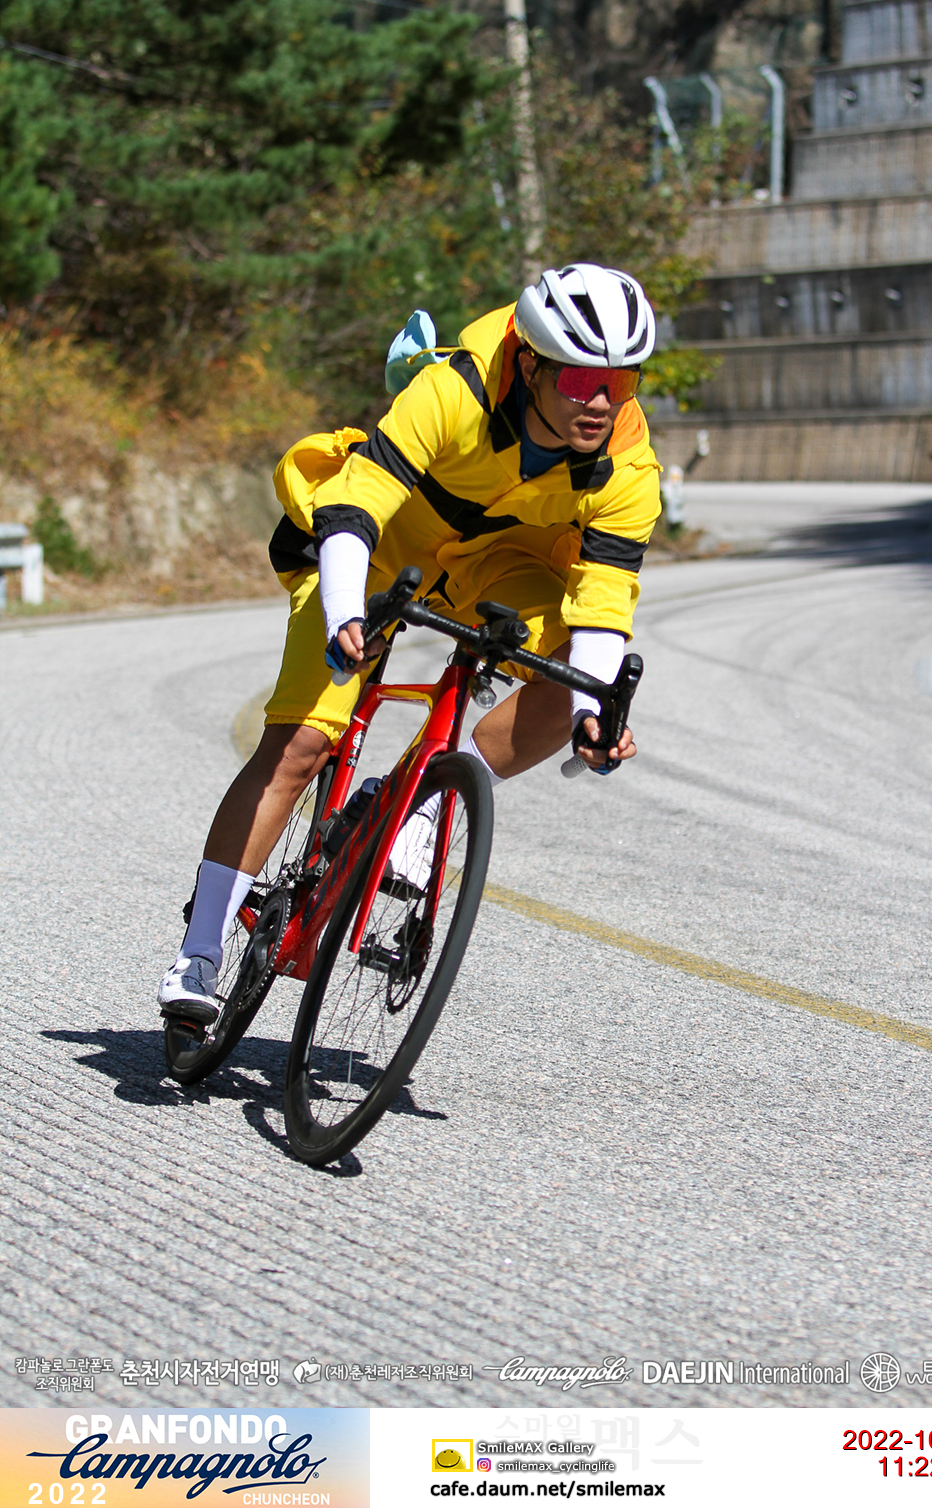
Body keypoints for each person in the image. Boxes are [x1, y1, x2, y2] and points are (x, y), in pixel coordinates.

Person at [158, 263, 662, 1022]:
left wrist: (593, 716)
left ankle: (423, 803)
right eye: (580, 379)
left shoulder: (627, 458)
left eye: (619, 382)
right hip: (380, 551)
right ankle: (198, 953)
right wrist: (343, 615)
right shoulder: (454, 389)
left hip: (496, 566)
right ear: (531, 364)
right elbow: (358, 502)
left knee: (586, 681)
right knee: (300, 746)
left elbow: (603, 601)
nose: (600, 402)